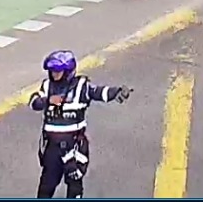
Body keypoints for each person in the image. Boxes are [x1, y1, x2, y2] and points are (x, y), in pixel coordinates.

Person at [28, 50, 132, 200]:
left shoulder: (81, 87)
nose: (54, 75)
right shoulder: (47, 86)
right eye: (52, 72)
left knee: (75, 186)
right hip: (52, 148)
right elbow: (33, 102)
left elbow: (98, 92)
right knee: (46, 187)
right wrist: (48, 100)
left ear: (68, 72)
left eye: (58, 71)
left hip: (73, 147)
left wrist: (117, 92)